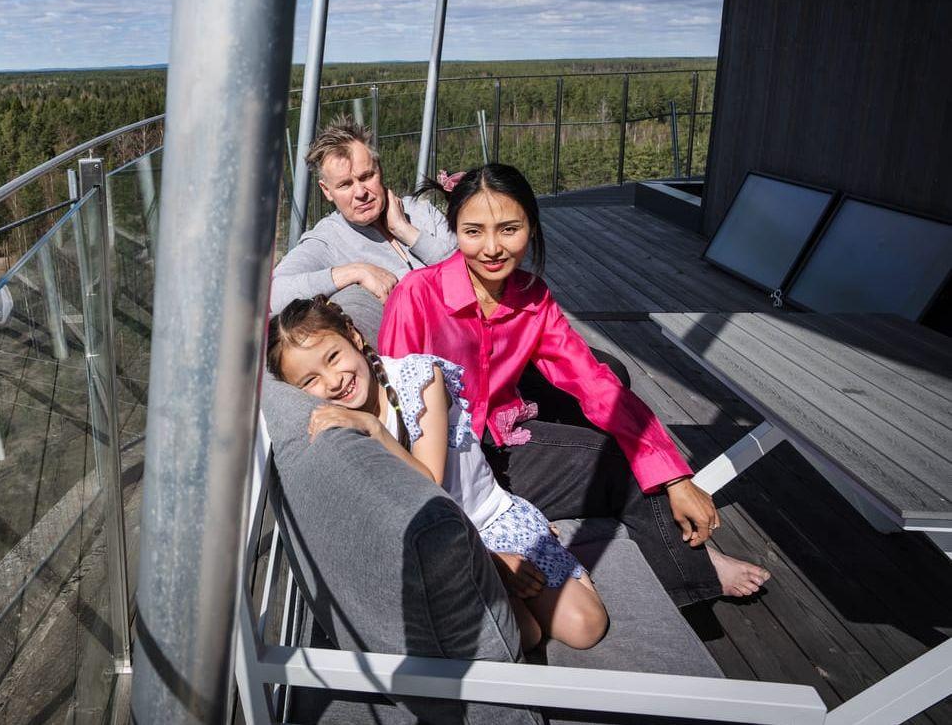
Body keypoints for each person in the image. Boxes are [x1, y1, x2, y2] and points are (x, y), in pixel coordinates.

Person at [380, 164, 771, 604]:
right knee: (616, 463)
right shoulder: (416, 294)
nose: (491, 248)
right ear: (455, 231)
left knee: (614, 396)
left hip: (504, 437)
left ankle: (679, 560)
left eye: (509, 229)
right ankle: (694, 573)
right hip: (448, 460)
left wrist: (676, 476)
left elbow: (591, 380)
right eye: (474, 232)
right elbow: (395, 406)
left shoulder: (532, 295)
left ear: (531, 226)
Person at [268, 295, 609, 651]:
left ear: (353, 337)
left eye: (333, 357)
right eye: (310, 380)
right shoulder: (338, 422)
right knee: (525, 634)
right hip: (451, 551)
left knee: (586, 626)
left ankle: (540, 547)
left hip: (490, 518)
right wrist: (490, 565)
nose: (333, 381)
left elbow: (428, 481)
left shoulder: (419, 378)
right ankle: (500, 577)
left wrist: (374, 428)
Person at [270, 116, 455, 315]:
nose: (360, 193)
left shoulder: (421, 211)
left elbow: (467, 269)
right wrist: (356, 272)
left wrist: (405, 230)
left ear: (380, 169)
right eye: (345, 185)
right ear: (326, 190)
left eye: (366, 176)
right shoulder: (326, 241)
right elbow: (272, 294)